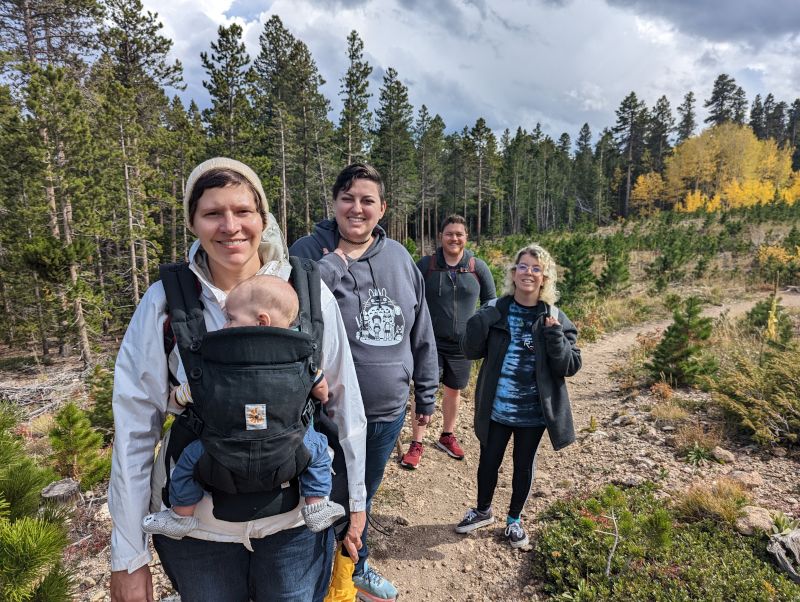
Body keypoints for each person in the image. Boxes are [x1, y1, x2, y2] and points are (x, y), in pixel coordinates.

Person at [109, 157, 367, 602]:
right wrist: (129, 557)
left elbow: (346, 403)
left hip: (294, 525)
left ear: (262, 218)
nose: (230, 226)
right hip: (197, 534)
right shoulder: (165, 304)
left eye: (243, 211)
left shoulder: (307, 292)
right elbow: (134, 429)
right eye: (212, 213)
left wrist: (357, 501)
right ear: (192, 221)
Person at [290, 163, 438, 602]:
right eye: (348, 198)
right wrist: (333, 265)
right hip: (320, 415)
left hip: (386, 412)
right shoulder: (306, 253)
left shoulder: (400, 260)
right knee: (316, 499)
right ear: (334, 204)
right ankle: (313, 580)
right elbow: (283, 321)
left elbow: (421, 332)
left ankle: (355, 568)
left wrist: (425, 394)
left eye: (367, 200)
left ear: (382, 208)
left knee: (362, 497)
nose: (357, 208)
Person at [140, 274, 345, 540]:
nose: (225, 326)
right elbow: (322, 390)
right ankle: (316, 504)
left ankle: (181, 514)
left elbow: (186, 396)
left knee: (188, 460)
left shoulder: (221, 360)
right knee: (317, 449)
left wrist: (178, 397)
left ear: (261, 321)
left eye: (231, 318)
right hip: (288, 443)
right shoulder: (300, 357)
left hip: (223, 446)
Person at [455, 244, 581, 548]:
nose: (529, 273)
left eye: (536, 268)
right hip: (496, 408)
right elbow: (470, 350)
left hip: (533, 414)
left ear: (545, 278)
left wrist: (554, 338)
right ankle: (483, 510)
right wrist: (482, 318)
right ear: (514, 273)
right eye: (523, 266)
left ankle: (514, 521)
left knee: (523, 465)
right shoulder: (498, 309)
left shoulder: (554, 316)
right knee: (488, 462)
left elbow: (570, 365)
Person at [411, 215, 495, 464]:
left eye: (459, 234)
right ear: (441, 237)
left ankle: (447, 435)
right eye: (449, 234)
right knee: (424, 391)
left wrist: (483, 334)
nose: (454, 238)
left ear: (466, 237)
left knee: (453, 390)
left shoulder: (477, 267)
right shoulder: (426, 265)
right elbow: (410, 297)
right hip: (430, 343)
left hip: (462, 345)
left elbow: (490, 302)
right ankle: (416, 442)